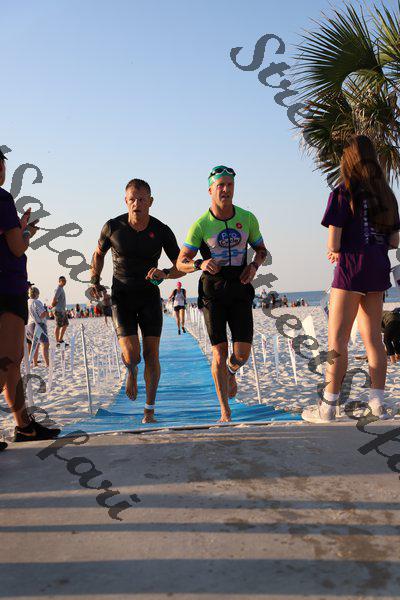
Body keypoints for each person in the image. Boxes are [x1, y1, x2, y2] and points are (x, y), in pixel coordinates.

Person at [302, 135, 400, 423]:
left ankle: (328, 408)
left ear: (349, 159)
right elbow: (394, 240)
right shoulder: (386, 195)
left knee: (337, 342)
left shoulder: (343, 192)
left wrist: (334, 251)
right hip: (377, 269)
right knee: (374, 341)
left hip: (351, 270)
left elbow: (334, 242)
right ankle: (377, 404)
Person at [90, 178, 185, 424]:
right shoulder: (113, 227)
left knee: (151, 354)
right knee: (133, 355)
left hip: (149, 297)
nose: (136, 204)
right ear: (125, 201)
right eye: (132, 199)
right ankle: (131, 369)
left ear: (150, 202)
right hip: (121, 296)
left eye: (142, 199)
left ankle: (149, 410)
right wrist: (94, 280)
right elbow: (98, 254)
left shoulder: (161, 230)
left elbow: (181, 265)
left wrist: (165, 273)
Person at [177, 165, 267, 422]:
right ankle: (225, 410)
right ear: (210, 190)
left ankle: (231, 371)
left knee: (242, 353)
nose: (225, 189)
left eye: (230, 185)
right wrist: (200, 263)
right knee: (219, 351)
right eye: (220, 186)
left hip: (240, 287)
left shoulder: (247, 218)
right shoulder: (201, 224)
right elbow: (181, 262)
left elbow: (262, 250)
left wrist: (254, 266)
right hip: (213, 292)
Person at [0, 148, 60, 449]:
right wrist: (26, 236)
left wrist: (20, 228)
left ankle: (24, 427)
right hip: (7, 289)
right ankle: (24, 426)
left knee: (12, 364)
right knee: (7, 361)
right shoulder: (2, 198)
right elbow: (16, 248)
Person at [26, 286, 50, 367]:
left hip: (29, 325)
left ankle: (35, 363)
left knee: (35, 344)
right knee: (45, 344)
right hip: (38, 324)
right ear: (36, 294)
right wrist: (46, 310)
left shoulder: (27, 302)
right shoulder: (36, 302)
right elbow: (42, 314)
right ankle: (47, 364)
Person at [50, 276, 69, 347]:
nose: (64, 282)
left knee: (66, 324)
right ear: (59, 281)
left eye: (65, 280)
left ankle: (60, 340)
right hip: (58, 310)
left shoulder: (61, 289)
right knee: (58, 326)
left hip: (62, 310)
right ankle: (57, 341)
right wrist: (53, 306)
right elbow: (54, 299)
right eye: (63, 281)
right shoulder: (58, 289)